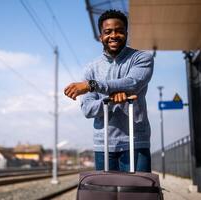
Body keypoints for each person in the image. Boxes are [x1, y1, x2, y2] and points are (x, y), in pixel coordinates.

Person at [64, 10, 154, 172]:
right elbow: (88, 109)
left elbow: (132, 83)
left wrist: (91, 85)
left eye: (119, 31)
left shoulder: (141, 58)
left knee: (137, 194)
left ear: (126, 33)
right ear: (100, 37)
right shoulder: (91, 68)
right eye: (108, 32)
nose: (114, 35)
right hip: (103, 145)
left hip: (136, 141)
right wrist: (110, 101)